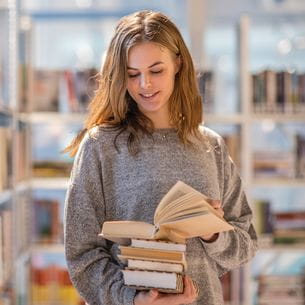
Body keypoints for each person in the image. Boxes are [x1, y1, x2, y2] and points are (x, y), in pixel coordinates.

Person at [64, 10, 258, 305]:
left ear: (178, 64)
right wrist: (133, 298)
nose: (145, 85)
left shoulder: (211, 145)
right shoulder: (100, 146)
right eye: (132, 74)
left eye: (156, 71)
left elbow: (246, 245)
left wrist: (212, 235)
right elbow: (82, 255)